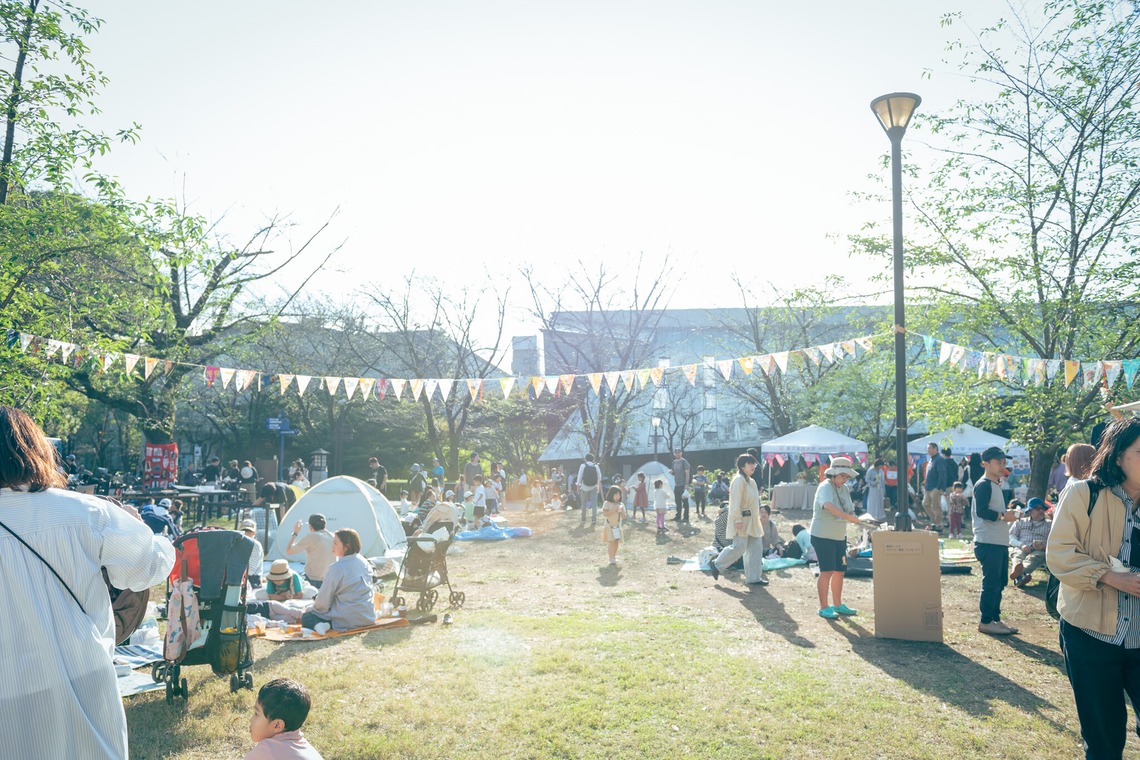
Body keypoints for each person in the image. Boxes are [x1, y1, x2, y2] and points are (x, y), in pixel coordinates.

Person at [0, 406, 175, 759]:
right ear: (33, 448)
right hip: (84, 671)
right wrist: (150, 532)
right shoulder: (87, 512)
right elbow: (148, 568)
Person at [1047, 417, 1140, 760]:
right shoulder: (1084, 493)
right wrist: (1108, 575)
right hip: (1091, 633)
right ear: (1117, 457)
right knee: (1103, 738)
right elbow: (1058, 554)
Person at [972, 446, 1021, 636]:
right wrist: (1003, 516)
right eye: (998, 462)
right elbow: (981, 511)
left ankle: (995, 619)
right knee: (991, 583)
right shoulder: (983, 484)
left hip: (998, 542)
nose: (1002, 466)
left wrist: (1009, 514)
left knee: (1000, 582)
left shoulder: (995, 484)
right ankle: (985, 621)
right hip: (987, 541)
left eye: (1004, 462)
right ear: (985, 464)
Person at [809, 456, 863, 619]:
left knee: (840, 571)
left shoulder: (844, 489)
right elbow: (828, 506)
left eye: (847, 477)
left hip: (839, 535)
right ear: (834, 474)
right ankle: (823, 607)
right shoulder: (825, 487)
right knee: (827, 571)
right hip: (822, 535)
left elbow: (849, 508)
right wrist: (848, 517)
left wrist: (855, 517)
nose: (845, 479)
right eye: (843, 476)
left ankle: (838, 604)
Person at [708, 453, 767, 586]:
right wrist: (737, 520)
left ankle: (754, 578)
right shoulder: (738, 480)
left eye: (754, 464)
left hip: (752, 521)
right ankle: (717, 564)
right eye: (749, 464)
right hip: (742, 520)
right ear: (742, 466)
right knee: (739, 547)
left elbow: (754, 502)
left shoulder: (751, 481)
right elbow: (734, 503)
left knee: (756, 548)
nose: (753, 466)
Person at [245, 678, 324, 759]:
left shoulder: (267, 749)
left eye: (256, 714)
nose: (250, 720)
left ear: (277, 725)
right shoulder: (309, 751)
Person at [285, 514, 335, 589]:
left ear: (310, 526)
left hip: (314, 580)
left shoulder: (312, 537)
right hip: (330, 580)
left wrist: (295, 533)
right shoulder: (333, 536)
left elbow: (288, 551)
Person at [1009, 498, 1050, 589]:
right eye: (1037, 508)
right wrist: (1021, 545)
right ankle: (1020, 576)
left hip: (1039, 550)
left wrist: (1044, 547)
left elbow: (1055, 542)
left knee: (1033, 558)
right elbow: (1011, 536)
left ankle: (1019, 574)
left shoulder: (1050, 525)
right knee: (1017, 555)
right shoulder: (1020, 522)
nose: (1041, 511)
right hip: (1022, 546)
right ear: (1030, 511)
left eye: (1042, 508)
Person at [921, 442, 948, 529]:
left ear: (935, 449)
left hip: (936, 487)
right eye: (927, 448)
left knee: (936, 506)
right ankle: (935, 521)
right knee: (925, 504)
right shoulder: (931, 460)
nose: (928, 450)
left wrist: (939, 487)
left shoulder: (939, 459)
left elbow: (942, 474)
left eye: (930, 448)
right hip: (928, 486)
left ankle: (938, 524)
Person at [601, 485, 626, 566]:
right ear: (611, 494)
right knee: (611, 542)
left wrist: (621, 511)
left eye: (619, 495)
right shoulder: (607, 503)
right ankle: (610, 558)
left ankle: (614, 557)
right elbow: (605, 514)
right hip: (609, 525)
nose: (617, 497)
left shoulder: (621, 504)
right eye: (615, 495)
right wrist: (614, 510)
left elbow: (624, 516)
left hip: (617, 526)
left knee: (616, 542)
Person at [240, 518, 265, 589]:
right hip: (241, 576)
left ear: (254, 532)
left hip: (253, 580)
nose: (246, 533)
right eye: (244, 530)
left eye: (249, 531)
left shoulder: (256, 545)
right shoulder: (237, 543)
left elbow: (251, 569)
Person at [577, 454, 602, 525]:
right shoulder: (596, 466)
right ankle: (593, 519)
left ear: (586, 459)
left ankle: (583, 518)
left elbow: (579, 476)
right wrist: (598, 488)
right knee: (594, 504)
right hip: (594, 487)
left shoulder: (583, 466)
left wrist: (578, 487)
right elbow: (599, 478)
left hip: (584, 487)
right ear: (593, 459)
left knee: (584, 503)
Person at [671, 449, 692, 522]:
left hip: (683, 485)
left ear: (681, 453)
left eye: (678, 453)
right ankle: (678, 516)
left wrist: (686, 484)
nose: (677, 454)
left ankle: (686, 517)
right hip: (677, 484)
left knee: (685, 502)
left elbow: (687, 473)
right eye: (676, 453)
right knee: (677, 502)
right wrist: (671, 472)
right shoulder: (673, 462)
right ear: (674, 454)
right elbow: (675, 473)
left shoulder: (684, 462)